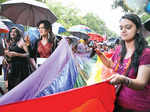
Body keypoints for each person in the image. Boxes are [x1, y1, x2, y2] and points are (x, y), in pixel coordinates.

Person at [95, 14, 150, 112]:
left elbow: (141, 83)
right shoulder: (119, 50)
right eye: (121, 28)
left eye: (128, 27)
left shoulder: (146, 53)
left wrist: (123, 79)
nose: (123, 30)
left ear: (138, 30)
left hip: (138, 107)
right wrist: (100, 54)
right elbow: (112, 65)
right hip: (117, 102)